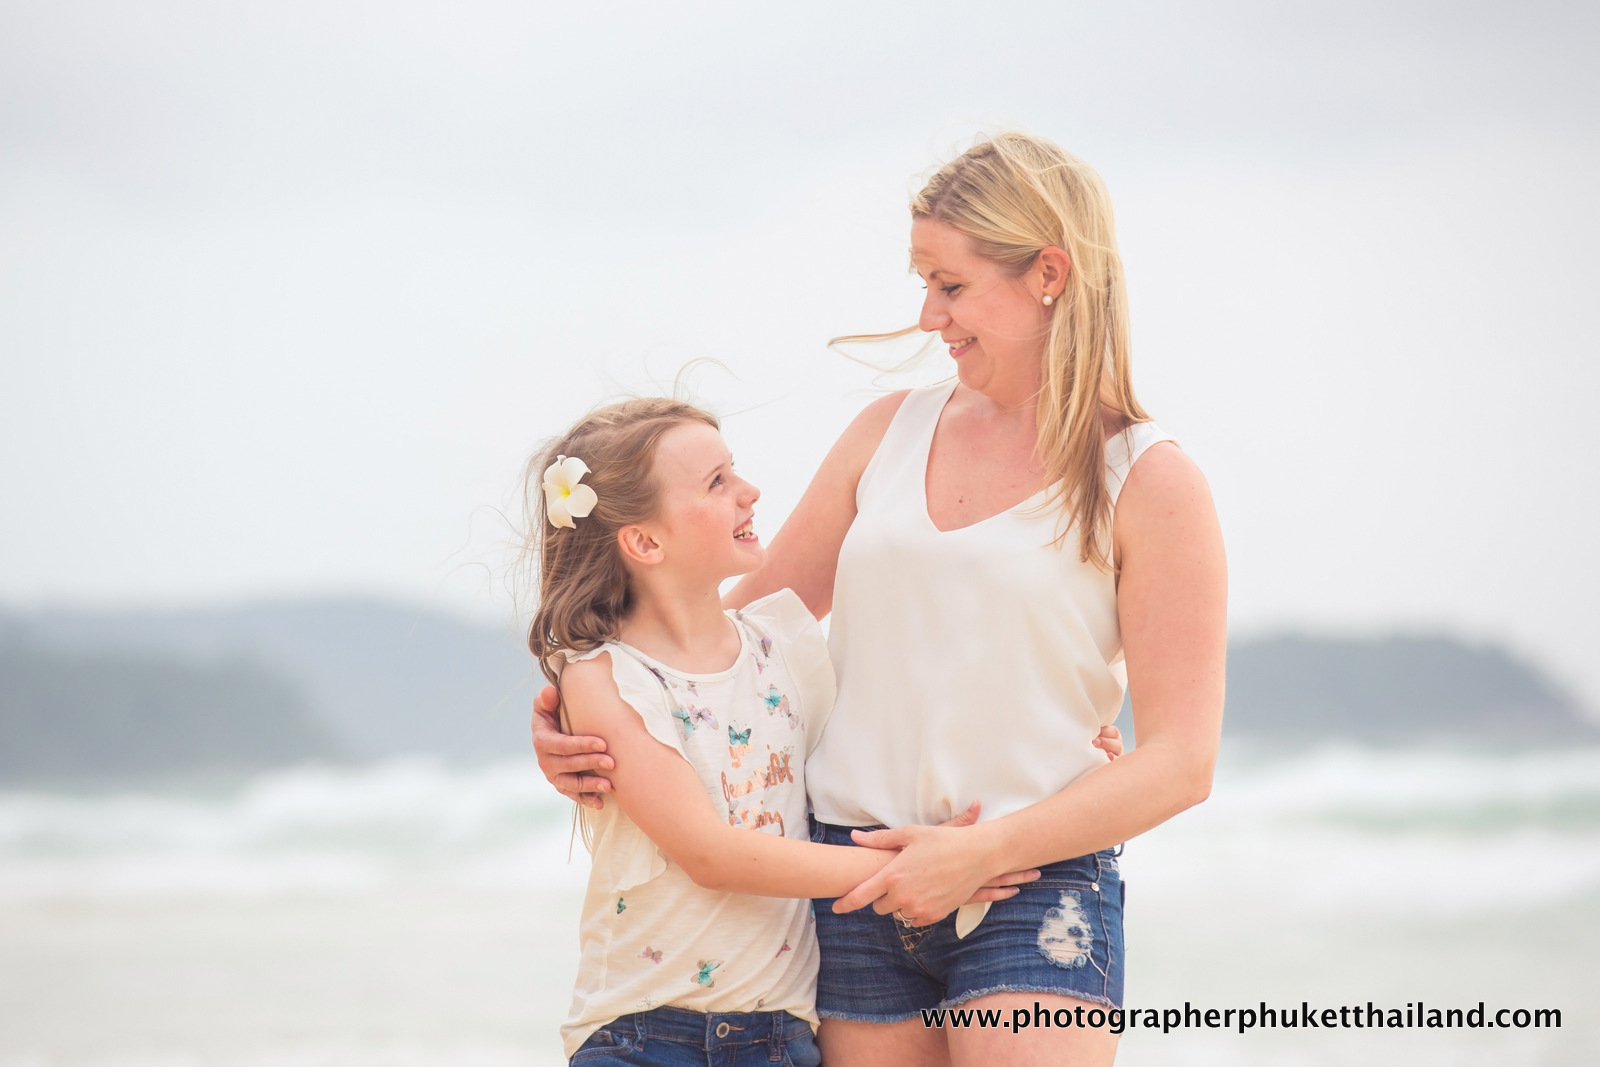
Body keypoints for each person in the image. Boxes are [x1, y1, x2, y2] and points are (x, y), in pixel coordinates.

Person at [533, 132, 1226, 1067]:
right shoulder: (885, 433)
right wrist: (583, 716)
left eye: (951, 285)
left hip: (1033, 881)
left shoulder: (1149, 479)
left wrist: (983, 851)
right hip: (852, 881)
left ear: (1049, 274)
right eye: (925, 282)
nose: (930, 315)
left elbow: (1183, 761)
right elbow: (713, 642)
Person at [523, 398, 1048, 1066]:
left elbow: (902, 722)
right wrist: (916, 871)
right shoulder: (606, 677)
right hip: (645, 1036)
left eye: (734, 470)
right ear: (645, 542)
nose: (749, 491)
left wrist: (1065, 744)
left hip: (781, 1040)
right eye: (717, 482)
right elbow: (711, 855)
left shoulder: (784, 646)